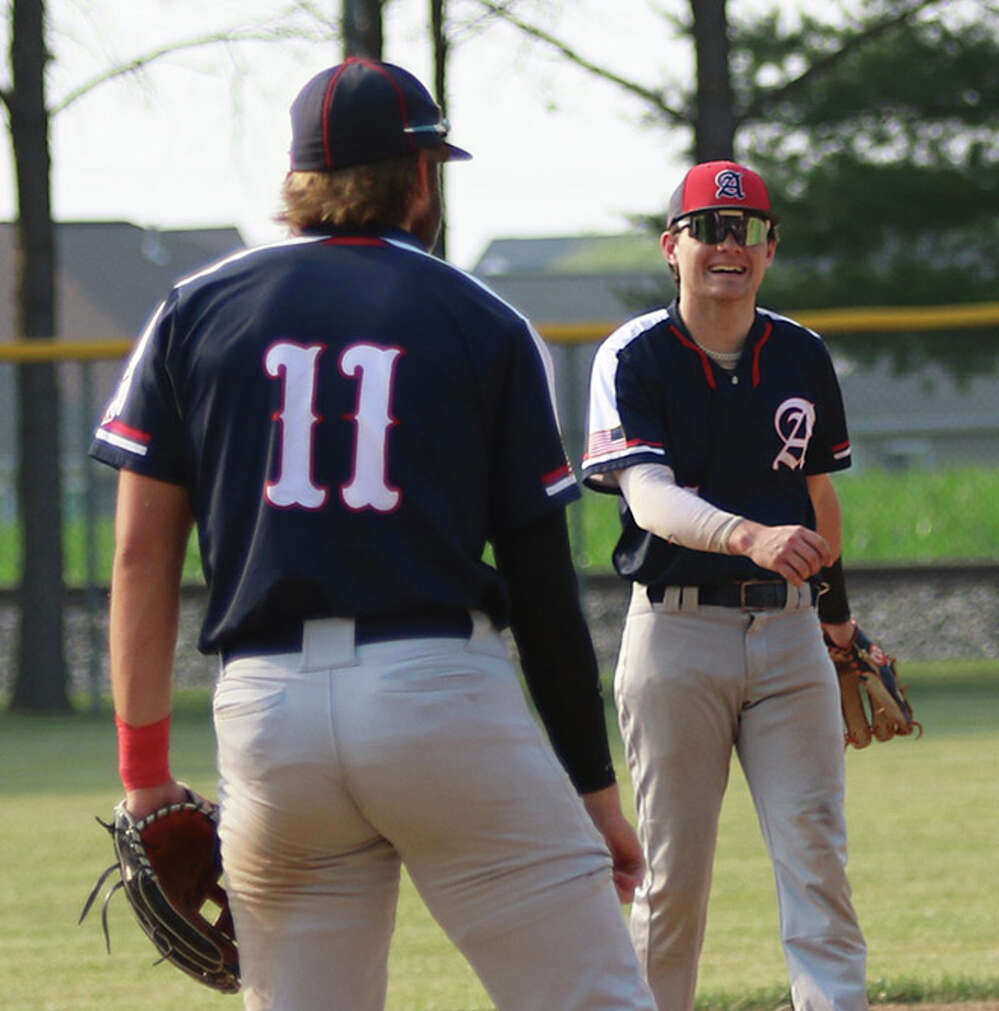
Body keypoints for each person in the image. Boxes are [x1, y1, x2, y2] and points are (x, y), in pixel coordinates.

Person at [89, 56, 655, 1011]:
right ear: (421, 177)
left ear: (300, 174)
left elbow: (142, 556)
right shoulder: (484, 320)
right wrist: (593, 790)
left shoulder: (193, 310)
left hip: (268, 720)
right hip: (437, 694)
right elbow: (541, 584)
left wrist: (144, 773)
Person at [581, 160, 869, 1011]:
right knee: (674, 877)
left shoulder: (802, 354)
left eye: (744, 230)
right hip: (677, 637)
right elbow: (650, 497)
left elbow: (819, 500)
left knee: (817, 854)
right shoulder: (634, 355)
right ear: (673, 247)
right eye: (708, 228)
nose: (727, 245)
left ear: (770, 248)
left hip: (789, 636)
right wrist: (749, 535)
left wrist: (839, 623)